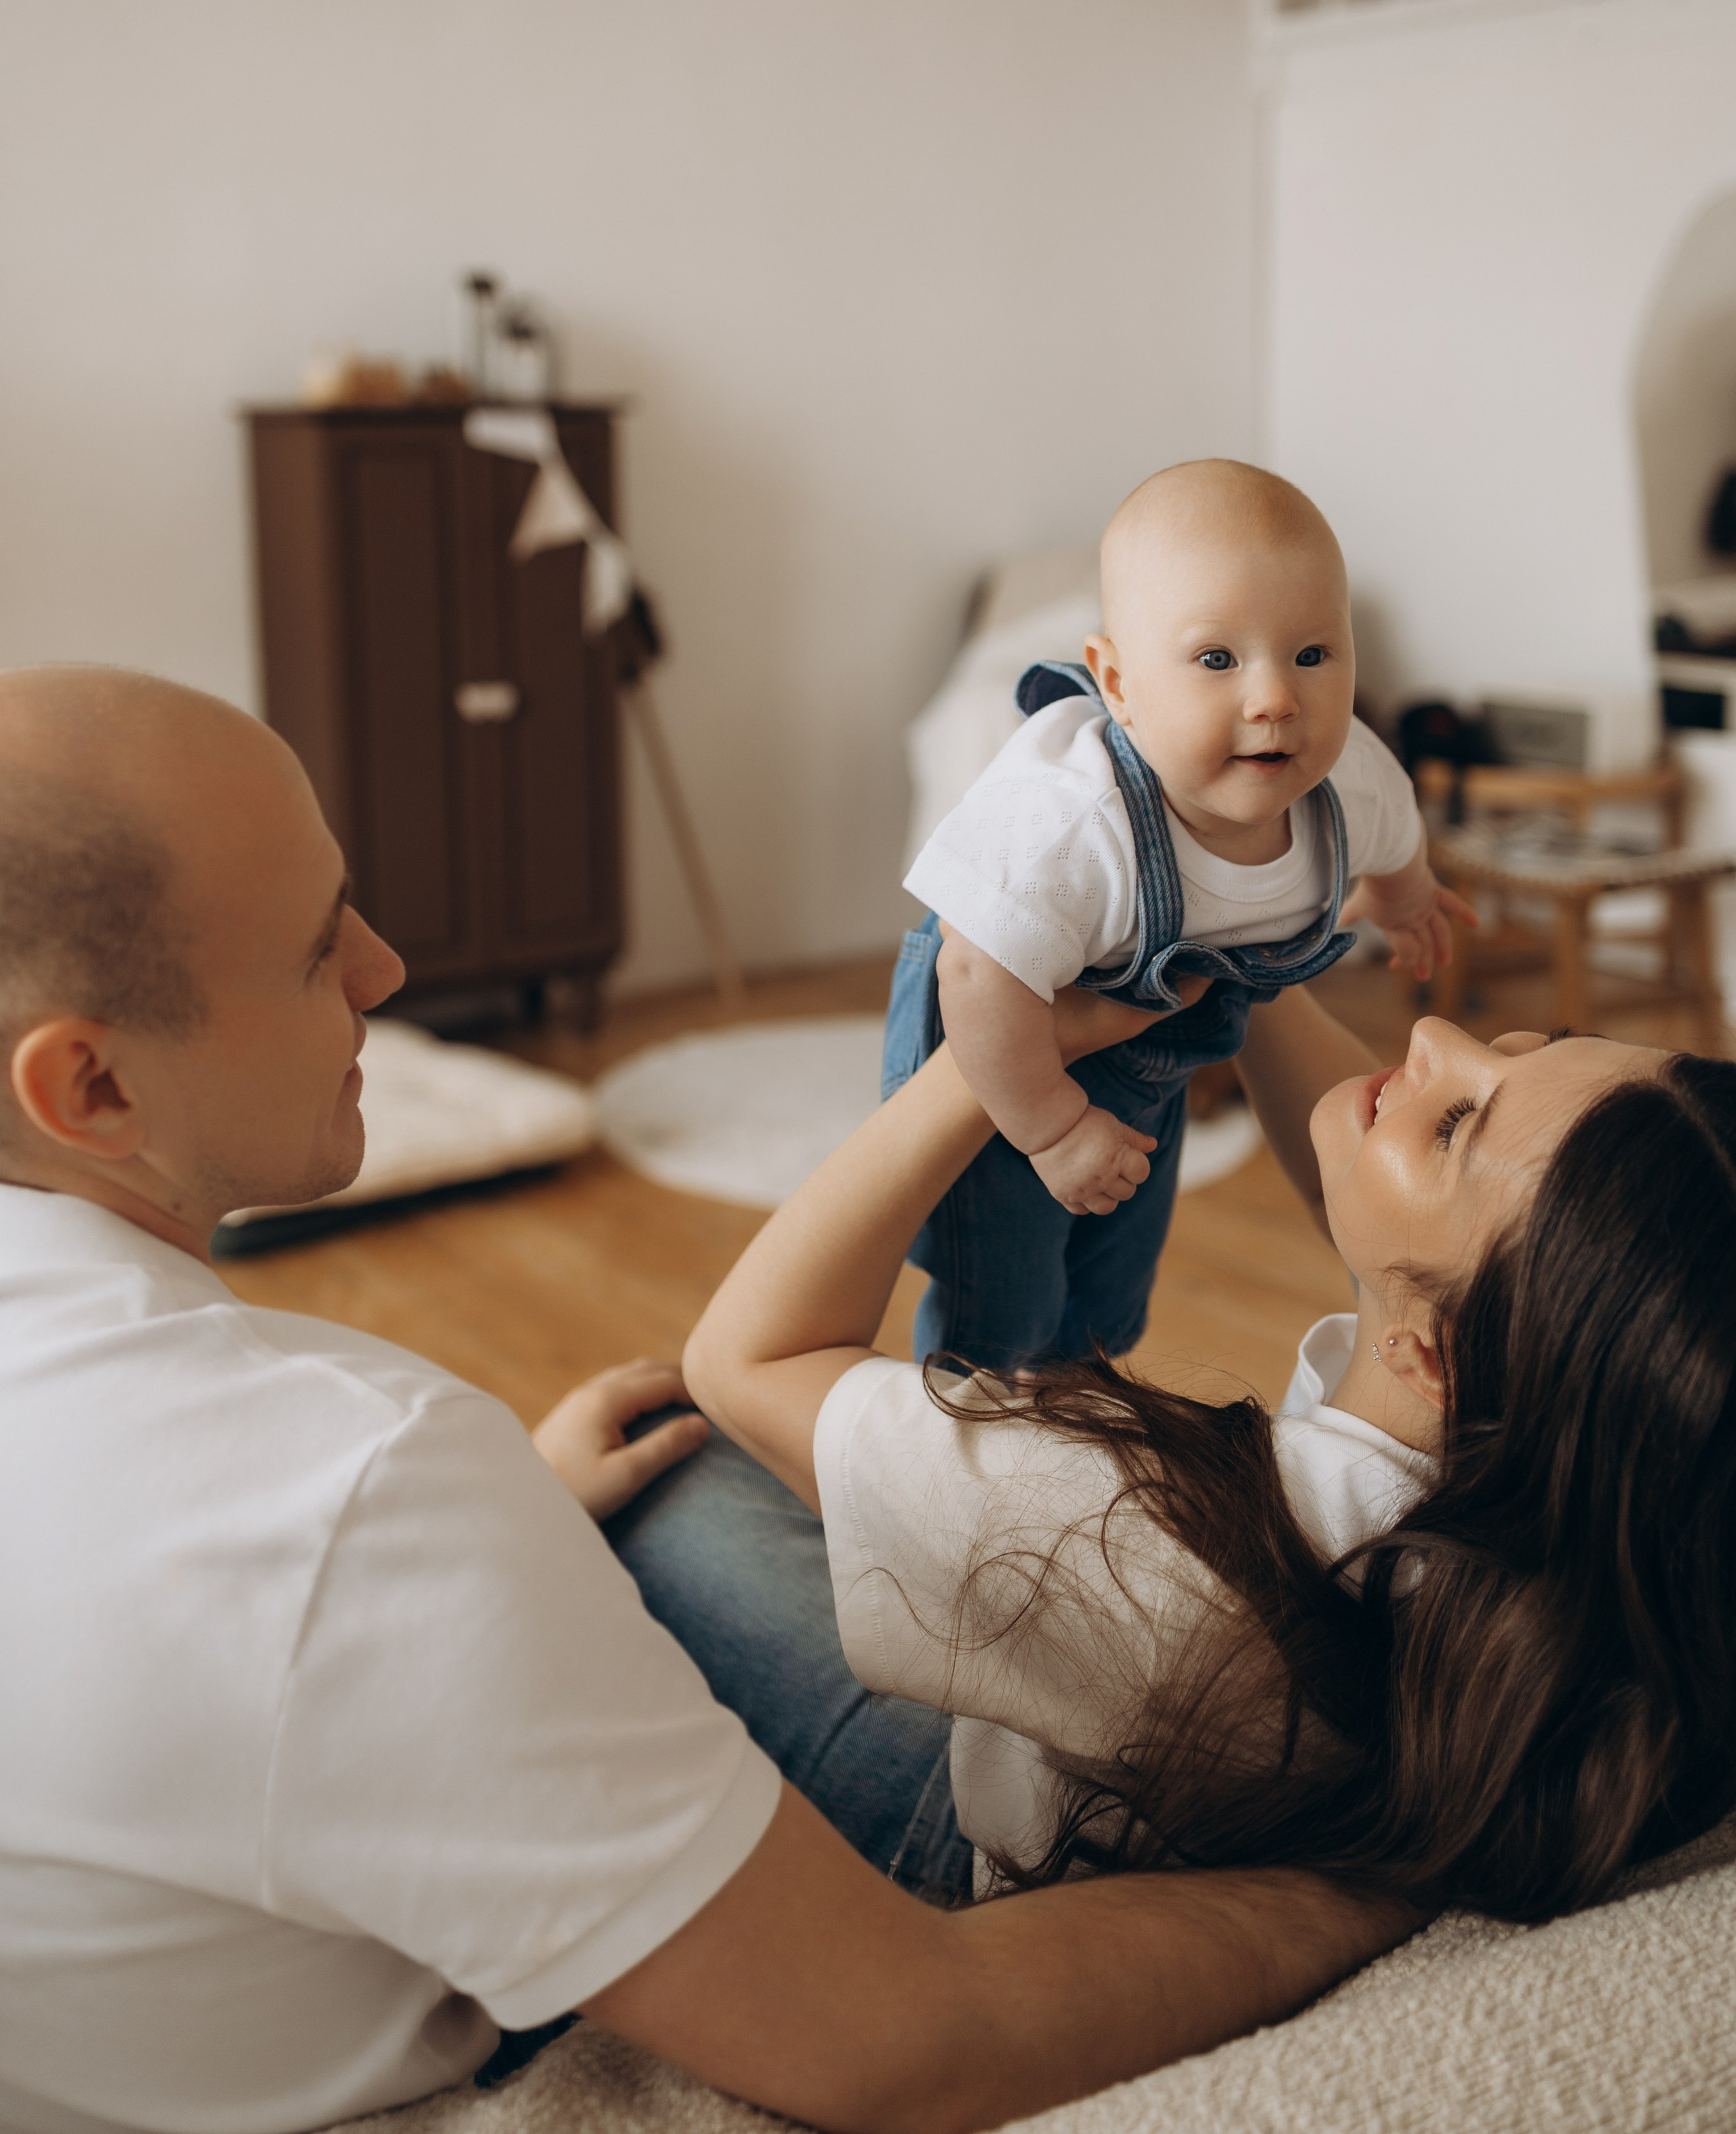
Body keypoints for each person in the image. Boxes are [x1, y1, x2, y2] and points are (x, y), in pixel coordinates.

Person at [0, 664, 1412, 2134]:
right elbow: (909, 2040)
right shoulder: (347, 1490)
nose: (383, 969)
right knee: (704, 1456)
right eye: (311, 951)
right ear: (89, 1092)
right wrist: (1381, 1881)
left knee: (678, 1458)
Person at [662, 981, 1736, 1921]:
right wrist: (1246, 968)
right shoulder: (1598, 1483)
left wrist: (992, 1067)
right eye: (1527, 1045)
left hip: (964, 1829)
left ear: (1442, 1360)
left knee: (668, 1454)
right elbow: (1386, 1224)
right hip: (1174, 1725)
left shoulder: (1161, 1544)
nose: (1436, 1031)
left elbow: (746, 1358)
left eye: (1455, 1123)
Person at [886, 458, 1473, 1370]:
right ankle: (969, 1426)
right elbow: (973, 971)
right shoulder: (1077, 818)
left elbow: (1396, 840)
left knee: (1111, 1289)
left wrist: (1407, 900)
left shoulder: (1350, 777)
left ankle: (1080, 1401)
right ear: (1117, 684)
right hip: (1002, 1032)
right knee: (1002, 1296)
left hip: (1154, 1057)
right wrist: (1050, 1126)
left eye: (1313, 654)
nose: (1276, 696)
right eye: (1216, 660)